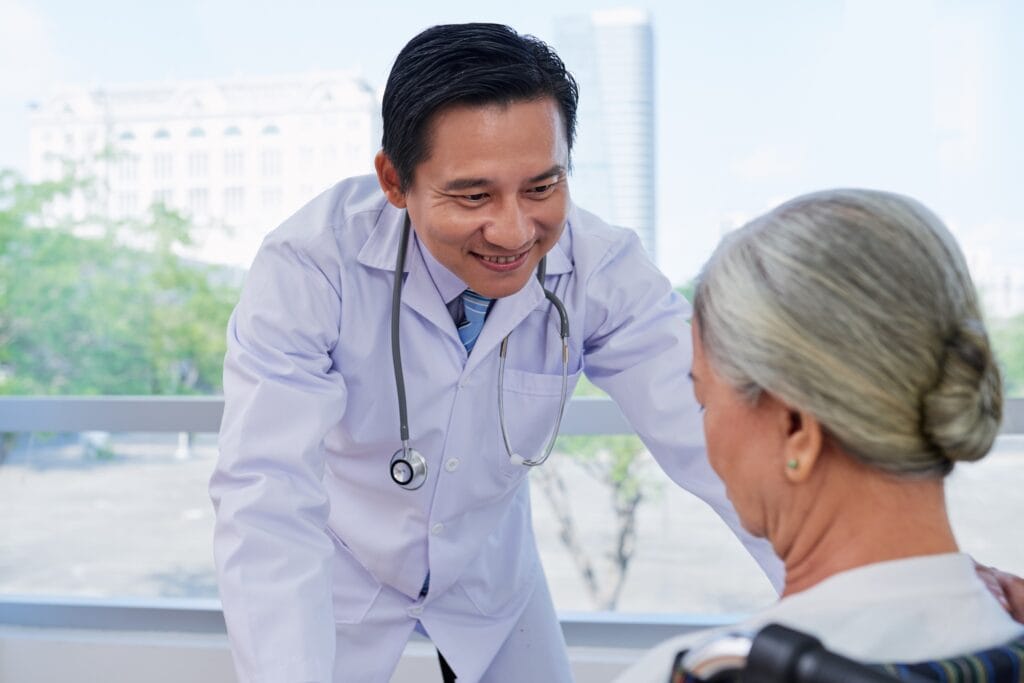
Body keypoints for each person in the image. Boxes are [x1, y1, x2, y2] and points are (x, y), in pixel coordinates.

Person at [209, 23, 782, 683]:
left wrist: (844, 599)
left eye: (541, 188)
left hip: (488, 565)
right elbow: (266, 489)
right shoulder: (311, 264)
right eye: (474, 195)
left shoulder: (600, 268)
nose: (513, 232)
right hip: (343, 563)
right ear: (394, 180)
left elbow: (719, 429)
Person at [616, 189, 1024, 682]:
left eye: (704, 401)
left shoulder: (703, 670)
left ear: (796, 430)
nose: (706, 436)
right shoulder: (1004, 647)